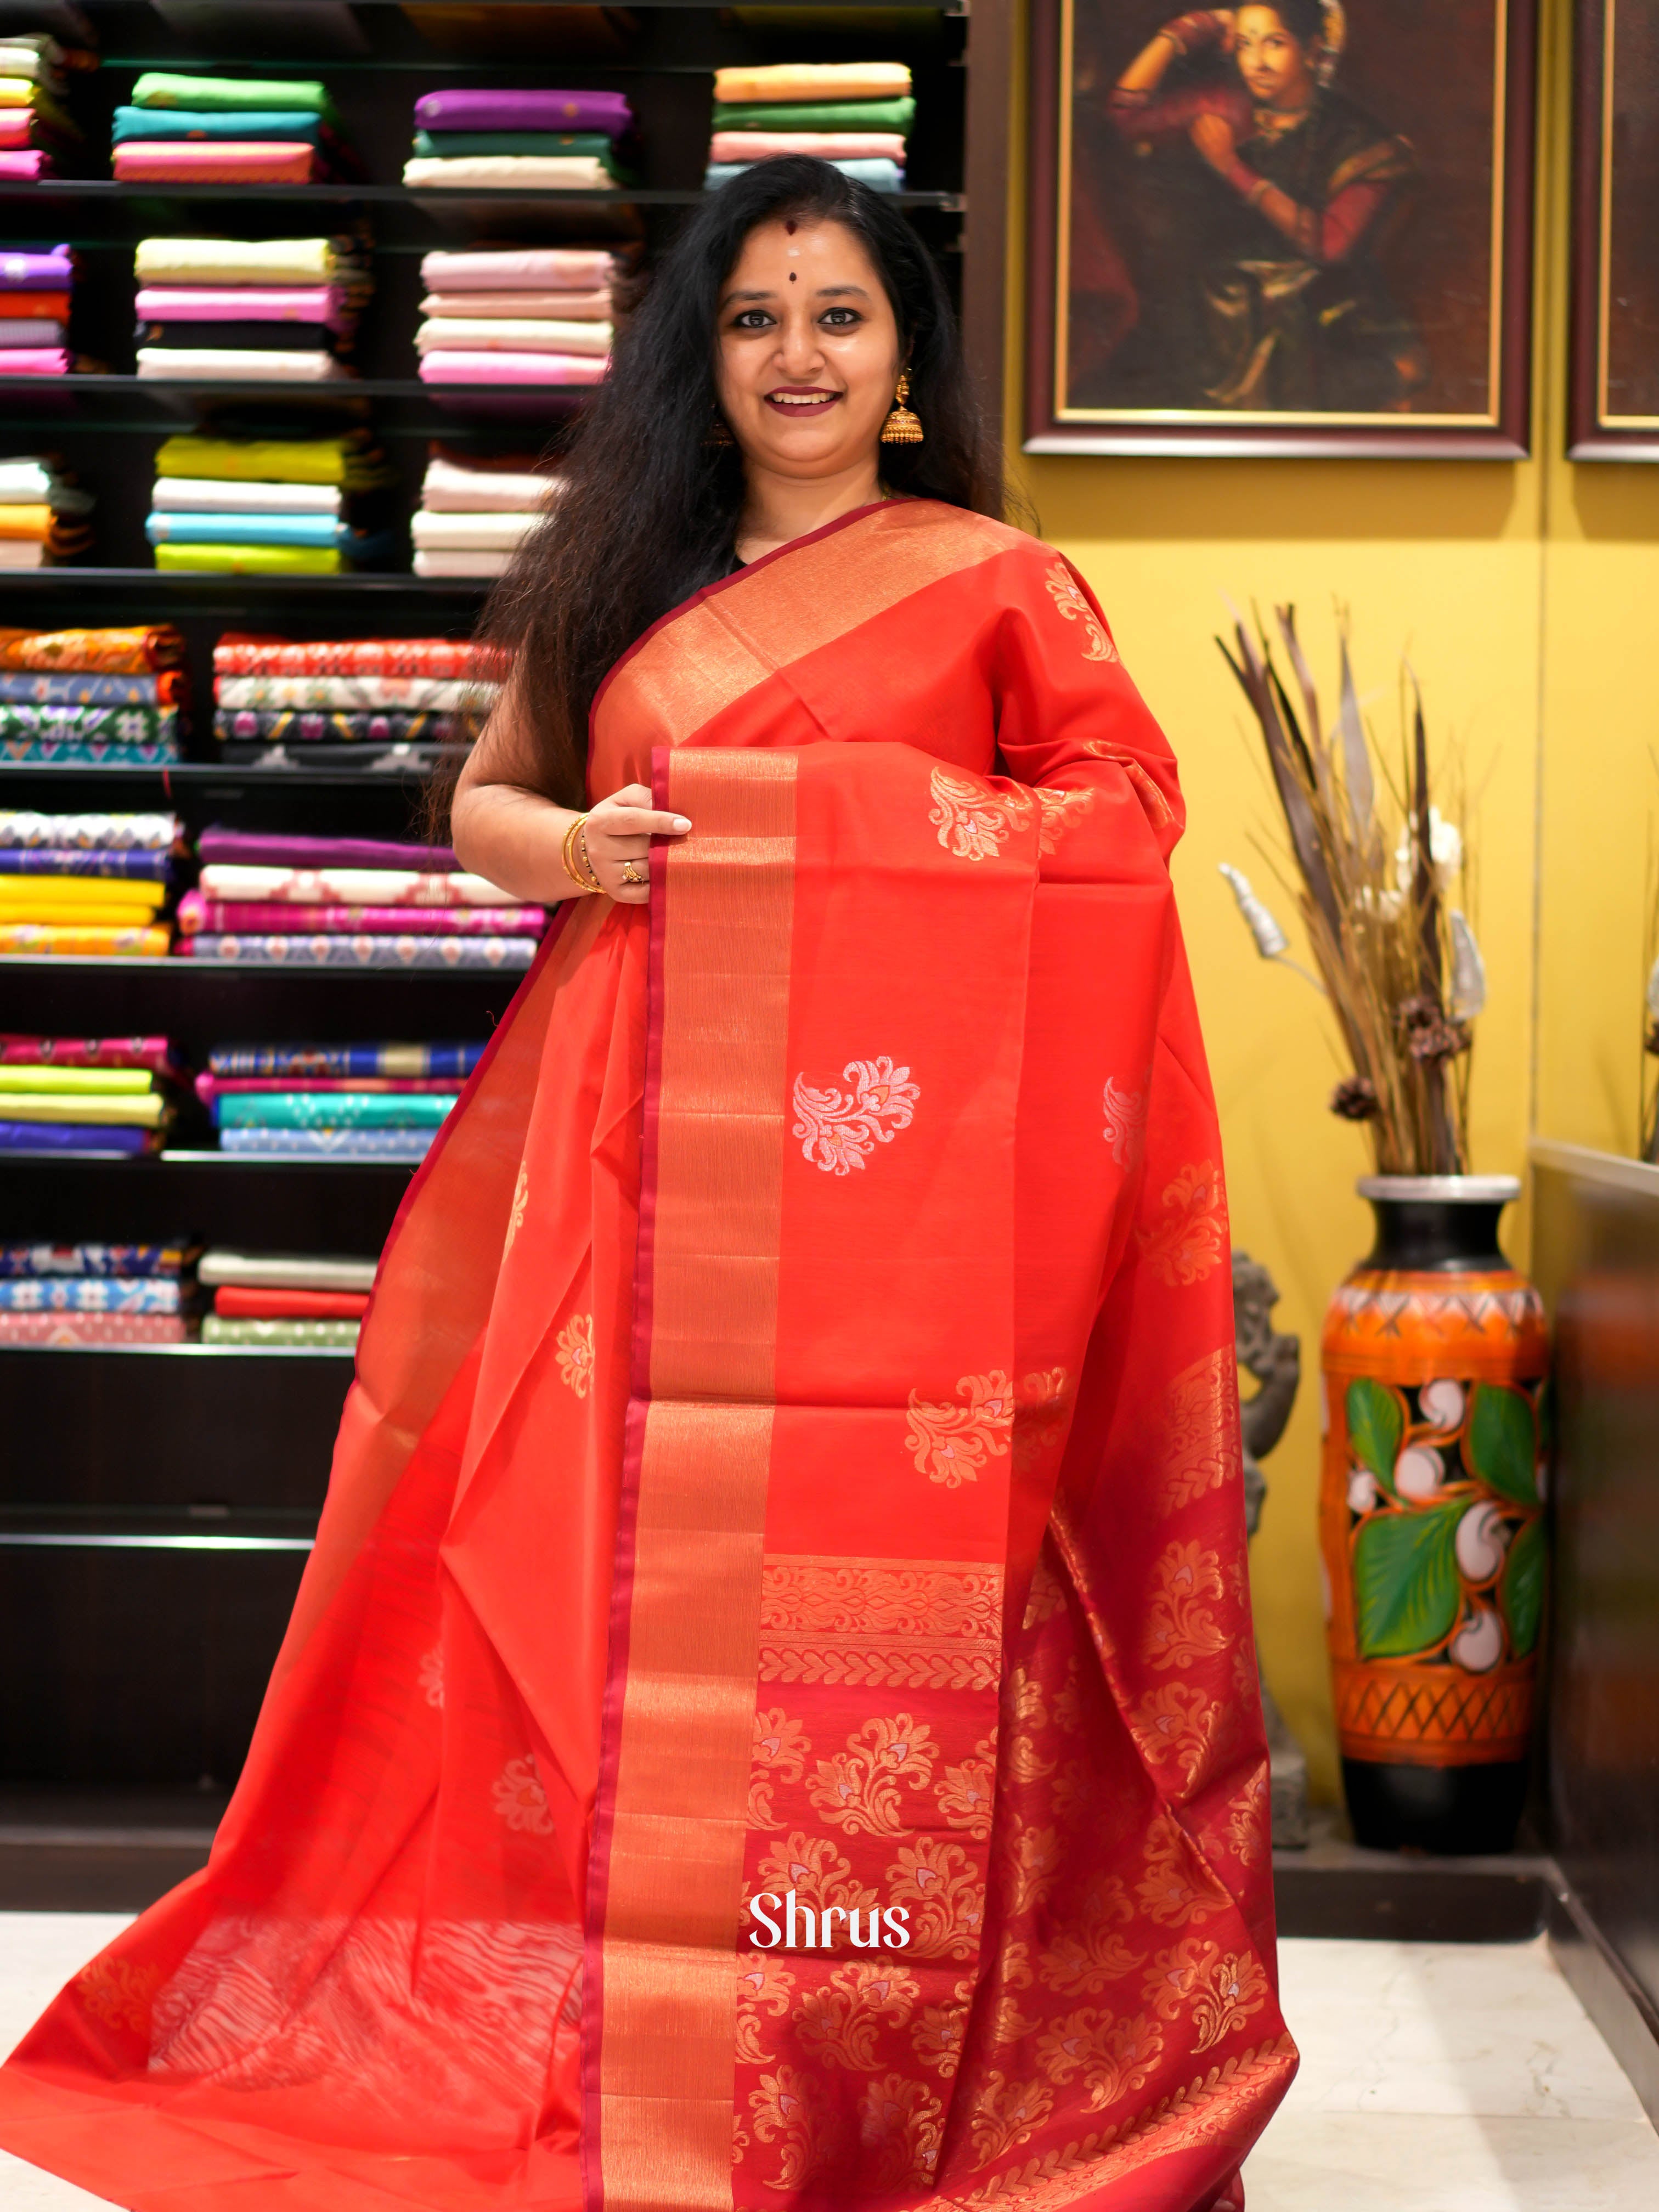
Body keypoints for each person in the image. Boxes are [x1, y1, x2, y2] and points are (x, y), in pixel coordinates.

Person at [0, 159, 1293, 2211]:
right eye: (753, 315)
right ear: (699, 363)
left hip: (910, 1248)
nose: (795, 352)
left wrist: (822, 819)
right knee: (629, 1627)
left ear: (900, 364)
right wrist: (589, 851)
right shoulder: (620, 569)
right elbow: (485, 807)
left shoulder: (991, 583)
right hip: (642, 1193)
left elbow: (1117, 816)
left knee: (912, 1653)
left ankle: (891, 2075)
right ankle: (661, 2066)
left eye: (838, 314)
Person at [1085, 0, 1422, 411]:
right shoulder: (1226, 105)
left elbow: (1329, 244)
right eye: (1244, 45)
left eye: (1274, 44)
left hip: (1316, 310)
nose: (1256, 63)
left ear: (1313, 51)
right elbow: (1123, 114)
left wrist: (1231, 167)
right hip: (1218, 305)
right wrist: (1188, 29)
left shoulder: (1359, 139)